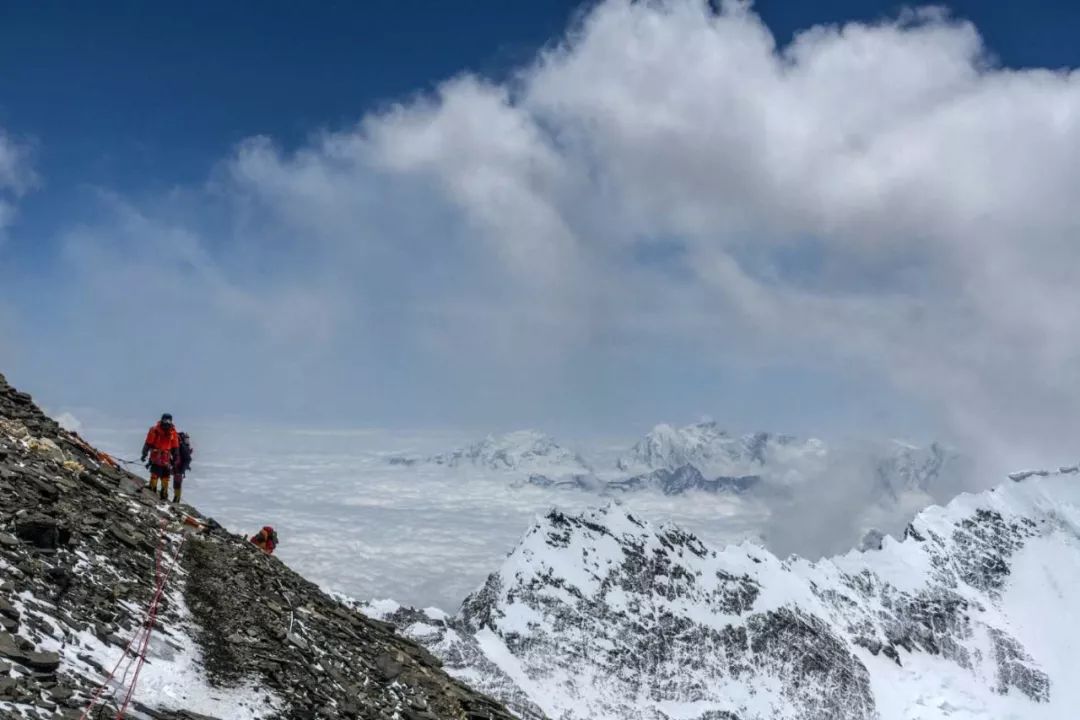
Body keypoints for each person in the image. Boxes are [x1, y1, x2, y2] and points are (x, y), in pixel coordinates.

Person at [141, 413, 179, 501]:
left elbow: (175, 446)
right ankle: (152, 491)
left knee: (165, 477)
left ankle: (164, 494)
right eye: (165, 420)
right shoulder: (155, 430)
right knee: (155, 474)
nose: (167, 422)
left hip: (166, 457)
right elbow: (148, 443)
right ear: (162, 420)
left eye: (169, 420)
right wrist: (144, 453)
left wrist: (176, 456)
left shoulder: (173, 432)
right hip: (156, 456)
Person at [172, 432, 193, 504]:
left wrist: (182, 469)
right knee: (177, 483)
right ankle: (176, 498)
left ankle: (176, 499)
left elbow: (187, 459)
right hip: (179, 467)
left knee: (177, 483)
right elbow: (187, 459)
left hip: (178, 467)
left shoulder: (181, 446)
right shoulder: (184, 446)